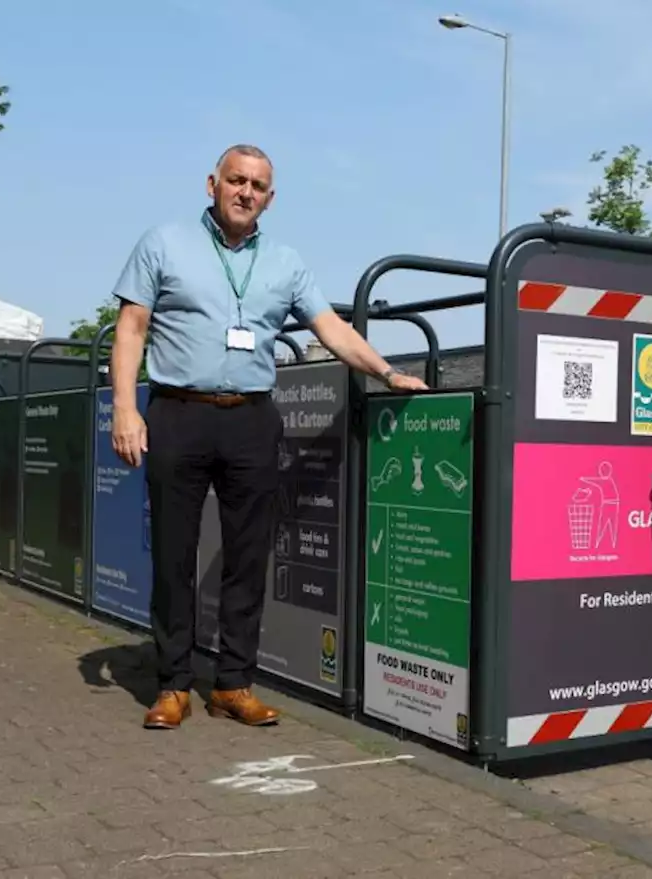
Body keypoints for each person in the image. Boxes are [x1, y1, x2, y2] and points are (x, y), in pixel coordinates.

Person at [108, 144, 426, 731]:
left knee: (248, 558)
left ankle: (233, 683)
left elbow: (331, 328)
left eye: (257, 185)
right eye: (236, 180)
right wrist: (125, 409)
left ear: (269, 198)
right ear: (212, 183)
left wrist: (385, 372)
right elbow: (131, 328)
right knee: (174, 556)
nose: (245, 192)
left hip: (252, 419)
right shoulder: (163, 243)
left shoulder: (285, 262)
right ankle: (173, 685)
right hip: (177, 413)